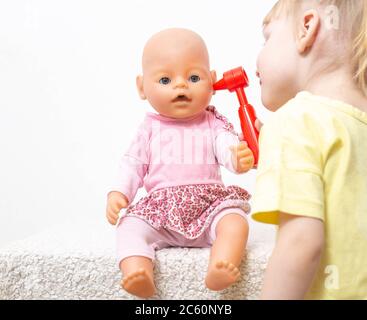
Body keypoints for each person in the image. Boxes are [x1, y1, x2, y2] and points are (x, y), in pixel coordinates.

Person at [106, 28, 255, 298]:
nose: (181, 85)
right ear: (142, 87)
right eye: (165, 79)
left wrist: (238, 156)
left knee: (235, 222)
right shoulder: (148, 130)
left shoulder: (213, 122)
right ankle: (137, 271)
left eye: (194, 77)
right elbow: (132, 164)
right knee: (129, 227)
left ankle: (222, 265)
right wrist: (119, 193)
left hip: (209, 206)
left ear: (212, 81)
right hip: (161, 212)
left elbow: (226, 147)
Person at [252, 0, 367, 299]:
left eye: (267, 38)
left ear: (306, 28)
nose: (257, 61)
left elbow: (301, 243)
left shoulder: (294, 120)